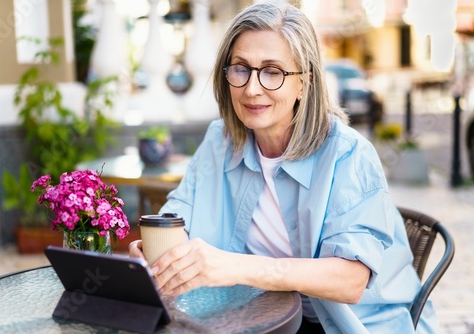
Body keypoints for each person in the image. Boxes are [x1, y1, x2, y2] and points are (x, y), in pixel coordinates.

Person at [130, 2, 439, 333]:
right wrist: (159, 248)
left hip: (352, 325)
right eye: (240, 68)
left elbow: (351, 281)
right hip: (257, 317)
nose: (252, 88)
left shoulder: (348, 154)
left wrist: (235, 267)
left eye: (272, 72)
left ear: (304, 82)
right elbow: (181, 215)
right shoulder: (218, 142)